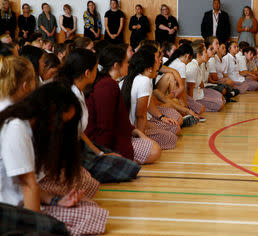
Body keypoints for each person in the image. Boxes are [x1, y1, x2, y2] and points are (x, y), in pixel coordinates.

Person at [0, 60, 108, 236]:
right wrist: (37, 230)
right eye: (60, 123)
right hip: (8, 212)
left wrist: (57, 201)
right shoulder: (16, 127)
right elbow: (28, 185)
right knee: (87, 217)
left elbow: (26, 183)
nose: (59, 130)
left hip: (22, 204)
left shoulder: (29, 126)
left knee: (90, 209)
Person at [57, 48, 141, 183]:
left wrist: (100, 152)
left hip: (82, 146)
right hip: (70, 154)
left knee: (128, 166)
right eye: (96, 68)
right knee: (92, 183)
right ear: (87, 73)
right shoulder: (70, 95)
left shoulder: (80, 92)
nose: (98, 72)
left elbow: (80, 133)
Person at [85, 45, 161, 163]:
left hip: (116, 134)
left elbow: (121, 119)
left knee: (153, 146)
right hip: (102, 141)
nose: (129, 65)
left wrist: (138, 133)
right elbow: (104, 126)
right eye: (126, 62)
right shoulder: (107, 85)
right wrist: (105, 153)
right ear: (116, 65)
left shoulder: (112, 82)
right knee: (154, 150)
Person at [121, 47, 180, 149]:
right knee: (170, 139)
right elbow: (141, 115)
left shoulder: (136, 77)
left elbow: (148, 105)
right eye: (156, 62)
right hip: (133, 129)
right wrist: (142, 138)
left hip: (135, 125)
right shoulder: (144, 81)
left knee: (174, 128)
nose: (158, 65)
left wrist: (161, 117)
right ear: (149, 68)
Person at [186, 41, 225, 112]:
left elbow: (201, 85)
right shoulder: (192, 67)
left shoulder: (198, 65)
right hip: (194, 97)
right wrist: (192, 106)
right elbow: (189, 91)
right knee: (219, 105)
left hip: (199, 92)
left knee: (221, 98)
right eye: (205, 52)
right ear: (199, 55)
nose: (208, 54)